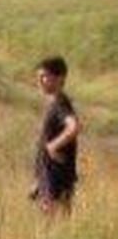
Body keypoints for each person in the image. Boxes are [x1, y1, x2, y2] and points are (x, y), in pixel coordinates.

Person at [31, 56, 82, 216]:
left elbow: (74, 127)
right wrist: (38, 181)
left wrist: (53, 146)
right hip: (49, 177)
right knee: (54, 227)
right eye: (38, 77)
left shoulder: (60, 104)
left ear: (60, 78)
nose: (40, 81)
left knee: (53, 226)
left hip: (56, 178)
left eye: (44, 76)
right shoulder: (55, 103)